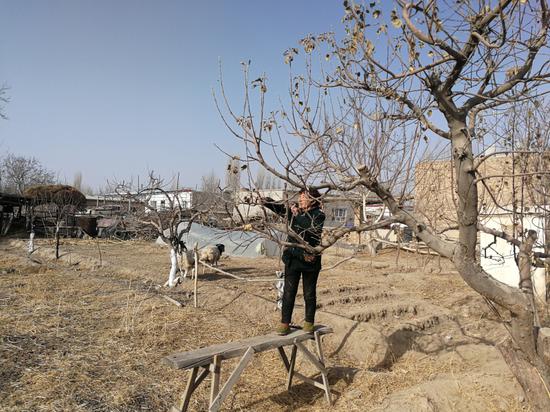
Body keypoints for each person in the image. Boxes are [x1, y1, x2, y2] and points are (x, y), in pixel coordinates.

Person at [260, 188, 325, 335]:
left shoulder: (319, 215)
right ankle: (285, 323)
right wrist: (268, 202)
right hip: (293, 258)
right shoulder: (297, 213)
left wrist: (295, 215)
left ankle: (309, 322)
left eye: (303, 197)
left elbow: (309, 231)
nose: (300, 199)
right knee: (289, 292)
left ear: (312, 200)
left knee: (309, 293)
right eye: (300, 197)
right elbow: (283, 211)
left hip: (310, 260)